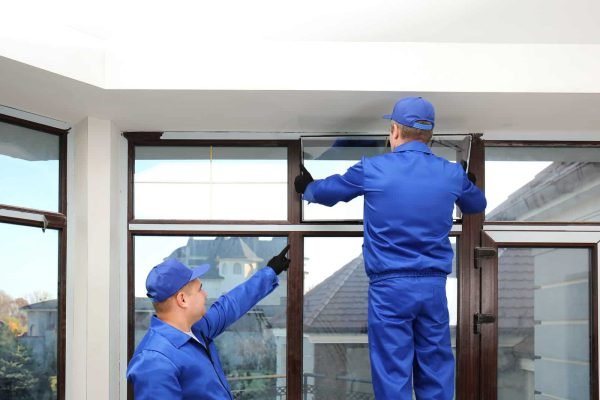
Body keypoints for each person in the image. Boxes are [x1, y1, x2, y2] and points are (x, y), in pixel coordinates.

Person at [294, 96, 486, 400]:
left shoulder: (373, 169)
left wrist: (307, 188)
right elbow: (476, 203)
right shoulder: (450, 173)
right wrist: (466, 179)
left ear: (395, 130)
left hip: (390, 288)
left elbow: (329, 193)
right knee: (436, 366)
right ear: (429, 135)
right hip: (433, 287)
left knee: (392, 370)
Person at [126, 245, 291, 400]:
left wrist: (270, 272)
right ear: (182, 299)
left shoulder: (196, 330)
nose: (205, 294)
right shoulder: (154, 360)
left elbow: (230, 305)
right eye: (200, 289)